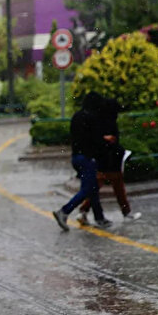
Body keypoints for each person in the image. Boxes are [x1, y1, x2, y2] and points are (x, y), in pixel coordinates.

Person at [53, 92, 113, 231]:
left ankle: (99, 218)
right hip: (87, 159)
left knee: (93, 188)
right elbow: (95, 140)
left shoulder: (77, 116)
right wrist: (106, 141)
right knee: (87, 189)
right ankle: (64, 211)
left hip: (76, 157)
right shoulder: (92, 118)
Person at [77, 97, 141, 224]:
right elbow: (112, 141)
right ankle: (125, 212)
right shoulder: (110, 122)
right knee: (117, 187)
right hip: (111, 160)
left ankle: (84, 210)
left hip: (103, 159)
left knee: (99, 186)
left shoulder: (98, 120)